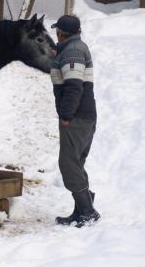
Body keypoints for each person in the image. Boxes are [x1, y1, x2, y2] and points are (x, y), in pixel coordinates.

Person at [50, 15, 100, 227]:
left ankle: (87, 212)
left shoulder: (72, 51)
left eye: (57, 31)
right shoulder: (71, 49)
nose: (55, 34)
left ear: (62, 33)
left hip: (77, 117)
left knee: (69, 165)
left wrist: (66, 115)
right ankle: (81, 210)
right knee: (76, 164)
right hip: (83, 115)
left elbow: (73, 86)